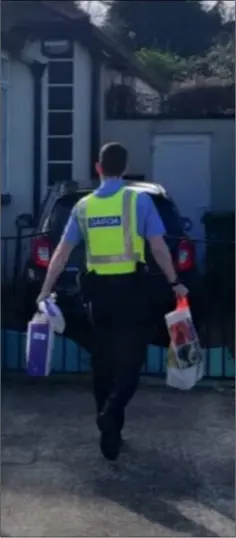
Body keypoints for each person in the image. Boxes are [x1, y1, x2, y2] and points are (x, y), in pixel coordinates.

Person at [37, 142, 188, 461]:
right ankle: (112, 412)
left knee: (102, 362)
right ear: (125, 167)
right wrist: (175, 282)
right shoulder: (138, 202)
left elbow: (61, 254)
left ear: (98, 168)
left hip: (98, 296)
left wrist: (45, 289)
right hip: (132, 291)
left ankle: (111, 432)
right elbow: (159, 248)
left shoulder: (84, 207)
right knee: (131, 362)